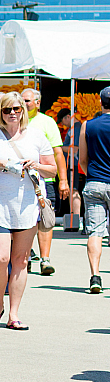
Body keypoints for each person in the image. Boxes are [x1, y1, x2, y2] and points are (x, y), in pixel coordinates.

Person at [0, 91, 56, 330]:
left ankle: (14, 314)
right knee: (0, 258)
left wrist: (36, 165)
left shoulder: (37, 136)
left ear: (24, 111)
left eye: (17, 109)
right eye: (7, 109)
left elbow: (52, 170)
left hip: (27, 205)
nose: (12, 114)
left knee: (21, 260)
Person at [21, 88, 69, 274]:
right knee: (26, 219)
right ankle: (26, 255)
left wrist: (63, 180)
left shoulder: (47, 123)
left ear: (38, 102)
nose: (23, 104)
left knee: (45, 218)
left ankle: (45, 259)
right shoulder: (15, 120)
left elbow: (58, 153)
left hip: (44, 178)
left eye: (27, 101)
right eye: (22, 101)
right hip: (22, 178)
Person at [79, 85, 110, 293]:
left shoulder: (87, 125)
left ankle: (95, 276)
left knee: (95, 232)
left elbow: (82, 160)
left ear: (100, 102)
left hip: (95, 182)